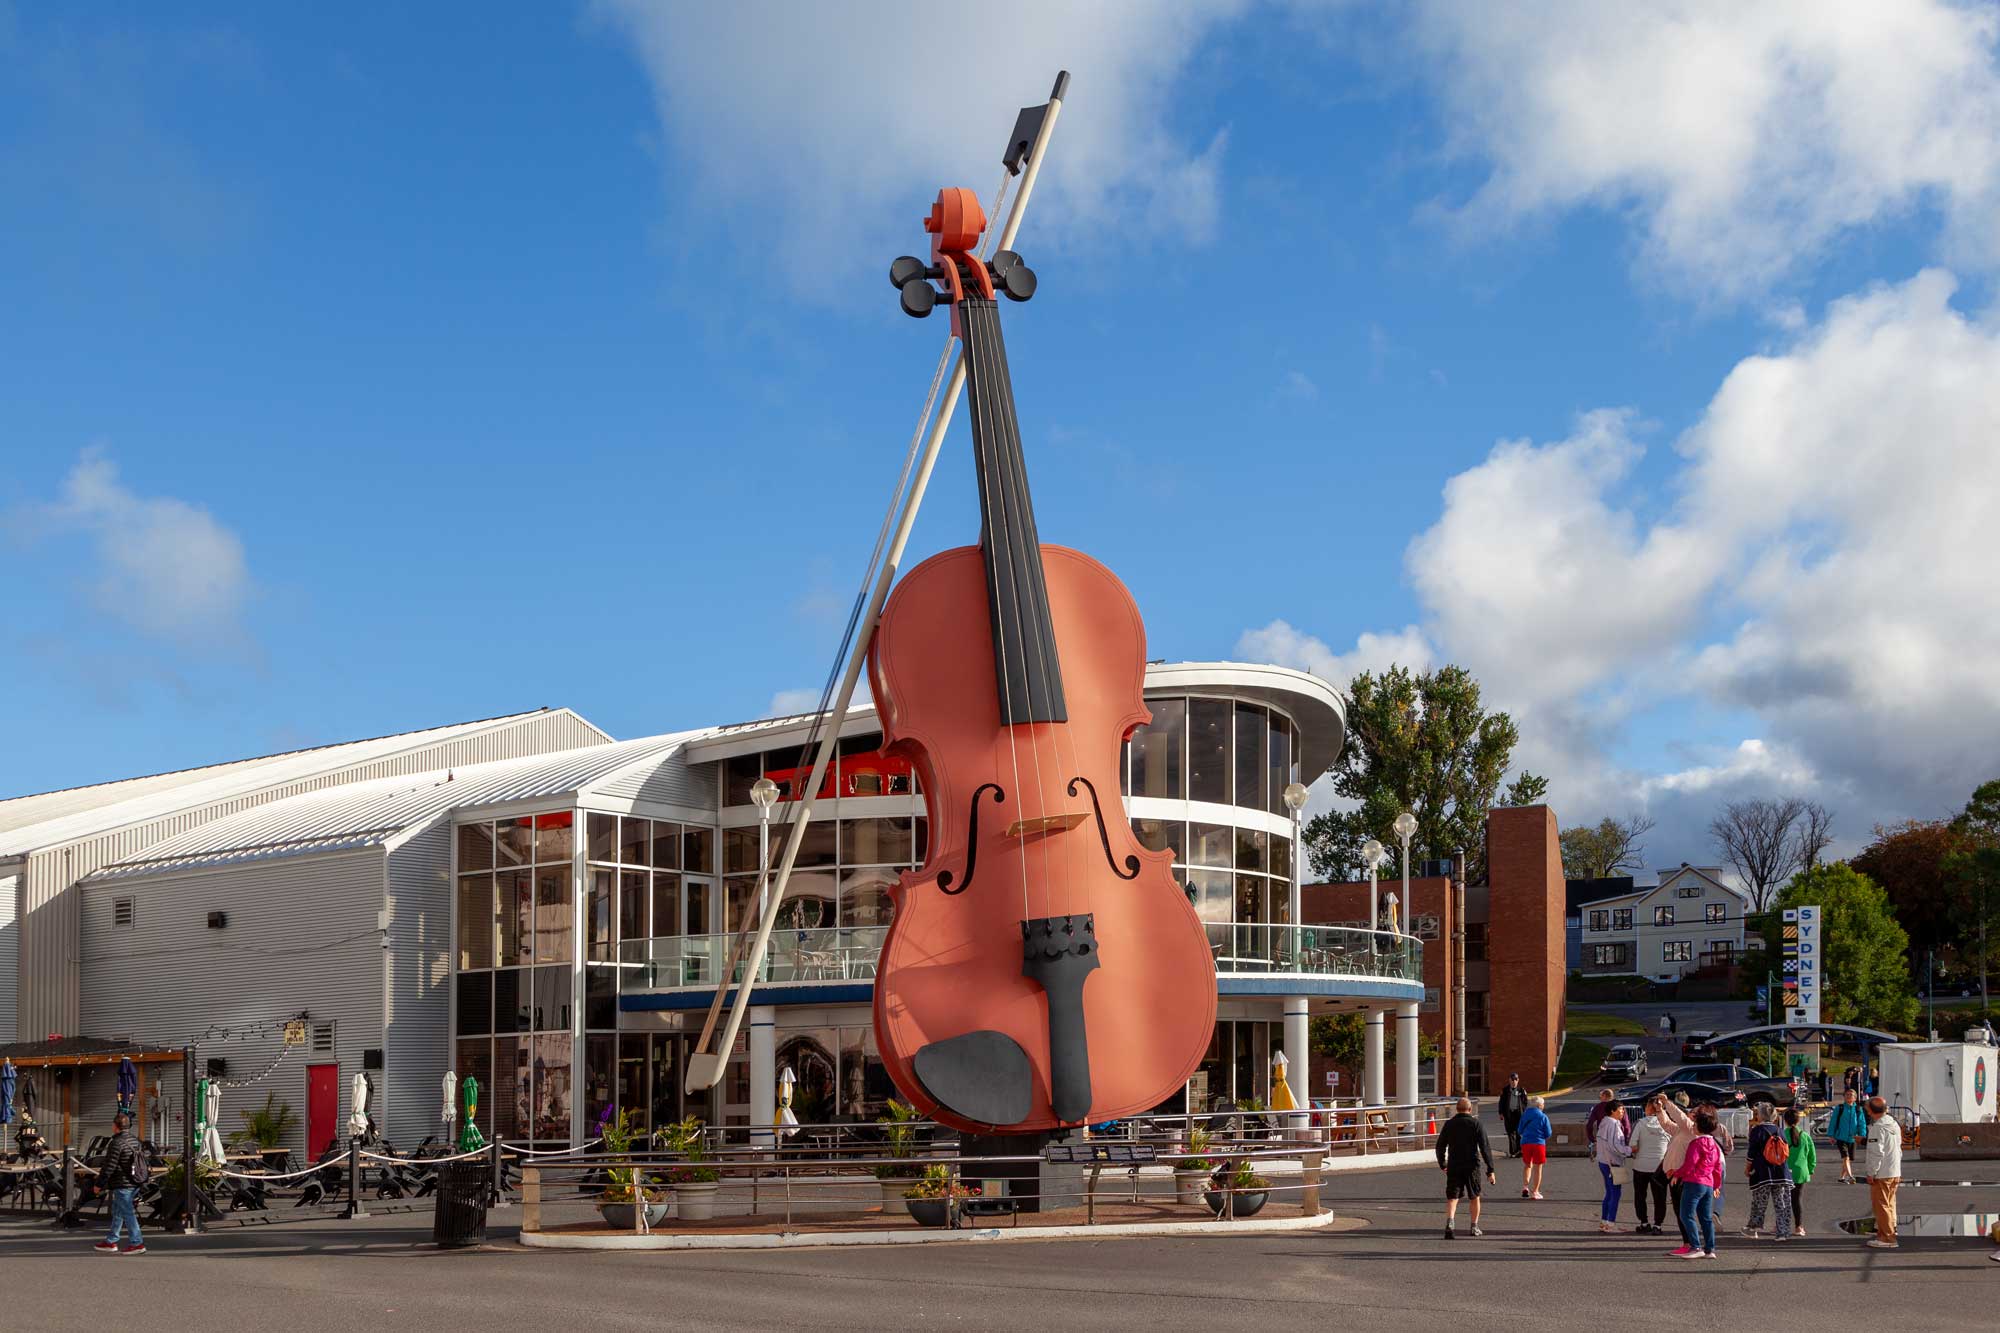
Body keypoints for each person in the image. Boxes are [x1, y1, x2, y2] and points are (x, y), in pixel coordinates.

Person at [1434, 1096, 1496, 1239]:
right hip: (1472, 1165)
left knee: (1452, 1196)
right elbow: (1485, 1147)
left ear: (1457, 1109)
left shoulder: (1449, 1124)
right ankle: (1474, 1226)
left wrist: (1442, 1163)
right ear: (1470, 1109)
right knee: (1474, 1196)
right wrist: (1490, 1169)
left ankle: (1450, 1222)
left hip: (1454, 1164)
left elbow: (1440, 1146)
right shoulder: (1476, 1124)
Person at [1670, 1109, 1724, 1259]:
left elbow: (1689, 1164)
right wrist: (1717, 1185)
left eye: (1695, 1124)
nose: (1693, 1127)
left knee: (1686, 1214)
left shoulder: (1696, 1143)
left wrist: (1677, 1174)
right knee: (1705, 1217)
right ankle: (1710, 1248)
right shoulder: (1714, 1144)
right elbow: (1717, 1167)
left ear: (1700, 1126)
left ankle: (1695, 1246)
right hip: (1708, 1183)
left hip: (1694, 1182)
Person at [94, 1111, 146, 1255]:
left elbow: (109, 1167)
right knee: (118, 1212)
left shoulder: (116, 1143)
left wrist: (99, 1184)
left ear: (115, 1126)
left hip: (122, 1184)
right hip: (135, 1181)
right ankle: (111, 1241)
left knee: (128, 1213)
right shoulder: (136, 1141)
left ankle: (137, 1243)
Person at [1741, 1102, 1793, 1240]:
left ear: (1760, 1115)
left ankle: (1753, 1228)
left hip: (1763, 1172)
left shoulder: (1757, 1131)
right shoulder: (1779, 1130)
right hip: (1781, 1171)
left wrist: (1747, 1169)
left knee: (1759, 1201)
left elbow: (1751, 1154)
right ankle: (1782, 1232)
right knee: (1781, 1203)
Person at [1658, 1092, 1700, 1249]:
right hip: (1674, 1175)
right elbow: (1667, 1124)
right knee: (1679, 1211)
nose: (1690, 1113)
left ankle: (1691, 1243)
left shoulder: (1691, 1130)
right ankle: (1688, 1242)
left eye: (1694, 1113)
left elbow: (1679, 1117)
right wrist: (1660, 1110)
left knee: (1684, 1212)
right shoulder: (1683, 1131)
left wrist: (1666, 1103)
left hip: (1681, 1175)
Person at [1627, 1094, 1673, 1234]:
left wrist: (1635, 1153)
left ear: (1648, 1108)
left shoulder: (1640, 1124)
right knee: (1660, 1197)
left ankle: (1644, 1222)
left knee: (1640, 1196)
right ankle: (1658, 1225)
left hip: (1641, 1165)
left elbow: (1633, 1145)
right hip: (1660, 1166)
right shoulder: (1667, 1125)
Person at [1862, 1094, 1902, 1249]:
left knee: (1881, 1205)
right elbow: (1898, 1149)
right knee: (1890, 1204)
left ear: (1871, 1111)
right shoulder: (1893, 1124)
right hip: (1894, 1170)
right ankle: (1889, 1232)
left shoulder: (1877, 1128)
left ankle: (1887, 1238)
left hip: (1883, 1172)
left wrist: (1871, 1172)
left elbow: (1876, 1152)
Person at [1594, 1101, 1634, 1234]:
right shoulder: (1613, 1124)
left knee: (1609, 1193)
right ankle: (1610, 1224)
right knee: (1615, 1194)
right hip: (1613, 1162)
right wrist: (1629, 1150)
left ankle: (1604, 1222)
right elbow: (1615, 1145)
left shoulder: (1604, 1123)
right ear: (1612, 1111)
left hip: (1604, 1161)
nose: (1623, 1112)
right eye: (1620, 1110)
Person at [1785, 1106, 1815, 1236]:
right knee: (1797, 1200)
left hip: (1785, 1171)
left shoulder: (1781, 1134)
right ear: (1798, 1121)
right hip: (1801, 1171)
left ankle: (1780, 1224)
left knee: (1783, 1200)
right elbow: (1812, 1155)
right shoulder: (1805, 1136)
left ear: (1785, 1120)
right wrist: (1811, 1169)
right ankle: (1799, 1226)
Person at [1517, 1094, 1552, 1200]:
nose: (1543, 1106)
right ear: (1539, 1105)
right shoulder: (1543, 1116)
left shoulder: (1525, 1115)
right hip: (1538, 1143)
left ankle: (1525, 1186)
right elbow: (1548, 1133)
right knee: (1538, 1168)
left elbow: (1519, 1130)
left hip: (1526, 1142)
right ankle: (1535, 1192)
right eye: (1543, 1104)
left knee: (1527, 1165)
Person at [1829, 1088, 1867, 1184]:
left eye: (1851, 1095)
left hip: (1853, 1138)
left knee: (1849, 1159)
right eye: (1847, 1094)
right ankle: (1850, 1176)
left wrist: (1862, 1136)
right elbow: (1833, 1122)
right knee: (1845, 1157)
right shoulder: (1840, 1108)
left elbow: (1862, 1123)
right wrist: (1831, 1135)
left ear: (1855, 1098)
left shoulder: (1858, 1109)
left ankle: (1842, 1177)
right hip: (1841, 1137)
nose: (1849, 1096)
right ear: (1844, 1097)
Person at [1497, 1073, 1528, 1157]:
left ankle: (1519, 1150)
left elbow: (1525, 1102)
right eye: (1512, 1080)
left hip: (1518, 1114)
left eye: (1516, 1080)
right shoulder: (1505, 1090)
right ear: (1509, 1080)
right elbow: (1501, 1102)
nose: (1514, 1081)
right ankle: (1513, 1152)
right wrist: (1501, 1113)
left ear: (1518, 1080)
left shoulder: (1521, 1090)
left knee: (1519, 1132)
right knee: (1510, 1133)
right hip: (1509, 1114)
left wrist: (1523, 1111)